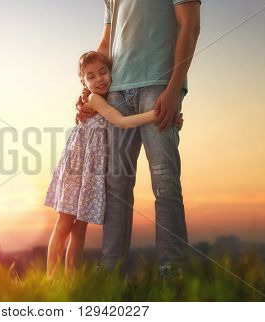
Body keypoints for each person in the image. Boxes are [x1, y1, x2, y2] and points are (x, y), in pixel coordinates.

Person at [76, 0, 201, 279]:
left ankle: (173, 271)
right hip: (117, 92)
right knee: (116, 183)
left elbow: (190, 26)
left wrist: (173, 87)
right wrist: (90, 90)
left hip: (159, 85)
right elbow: (107, 44)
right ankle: (111, 271)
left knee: (164, 180)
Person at [44, 51, 183, 279]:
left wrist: (173, 118)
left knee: (80, 229)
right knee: (65, 223)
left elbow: (127, 117)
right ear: (83, 82)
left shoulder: (114, 100)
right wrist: (160, 113)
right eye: (91, 76)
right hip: (77, 169)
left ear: (111, 73)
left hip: (93, 172)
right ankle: (49, 279)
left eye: (103, 72)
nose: (99, 79)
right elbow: (123, 122)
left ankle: (70, 281)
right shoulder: (93, 100)